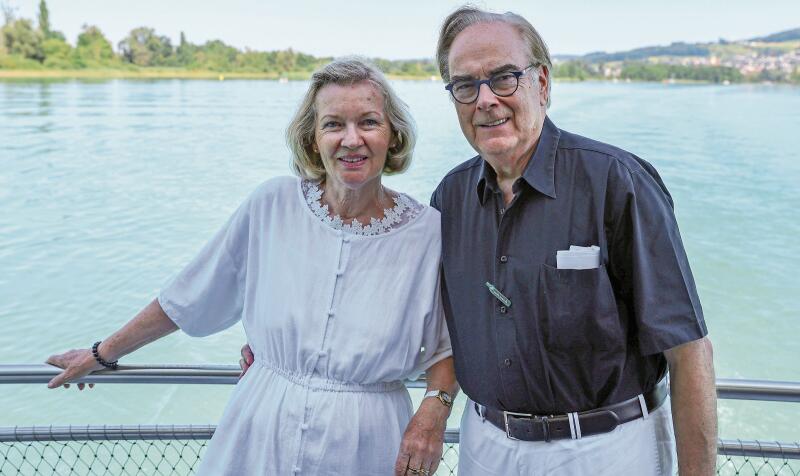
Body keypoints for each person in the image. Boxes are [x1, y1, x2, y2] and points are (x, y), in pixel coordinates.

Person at [46, 58, 458, 476]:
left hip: (369, 442)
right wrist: (103, 352)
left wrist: (434, 410)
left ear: (394, 135)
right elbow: (190, 295)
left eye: (369, 122)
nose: (351, 140)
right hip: (261, 430)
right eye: (333, 124)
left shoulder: (429, 233)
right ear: (313, 139)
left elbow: (451, 342)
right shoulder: (272, 205)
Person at [430, 6, 717, 476]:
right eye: (465, 85)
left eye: (504, 78)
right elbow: (430, 325)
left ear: (542, 84)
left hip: (606, 452)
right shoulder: (449, 199)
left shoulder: (617, 183)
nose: (485, 100)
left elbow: (689, 352)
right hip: (484, 447)